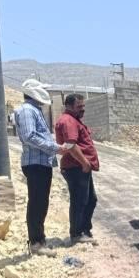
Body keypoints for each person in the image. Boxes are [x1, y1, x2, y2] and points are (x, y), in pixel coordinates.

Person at [13, 79, 67, 253]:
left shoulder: (34, 110)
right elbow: (30, 136)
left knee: (41, 202)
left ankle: (39, 240)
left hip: (41, 163)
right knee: (37, 203)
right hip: (35, 163)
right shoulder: (28, 110)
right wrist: (55, 148)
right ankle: (36, 243)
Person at [54, 94, 100, 245]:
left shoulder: (73, 120)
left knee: (90, 199)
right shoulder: (68, 121)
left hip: (80, 167)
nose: (83, 109)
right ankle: (76, 234)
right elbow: (71, 144)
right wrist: (85, 162)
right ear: (68, 106)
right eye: (79, 106)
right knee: (79, 201)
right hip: (76, 168)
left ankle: (84, 230)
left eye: (83, 106)